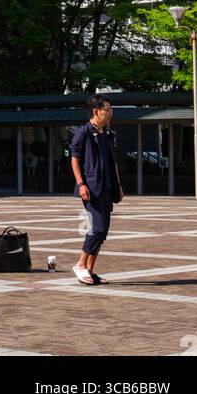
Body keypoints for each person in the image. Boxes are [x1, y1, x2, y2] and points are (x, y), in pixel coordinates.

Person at [70, 95, 123, 285]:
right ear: (96, 111)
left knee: (103, 231)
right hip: (91, 188)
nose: (109, 113)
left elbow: (113, 162)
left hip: (108, 187)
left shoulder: (109, 135)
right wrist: (81, 184)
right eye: (106, 109)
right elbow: (74, 159)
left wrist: (119, 186)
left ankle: (90, 271)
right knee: (97, 228)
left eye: (110, 109)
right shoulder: (83, 132)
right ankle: (80, 264)